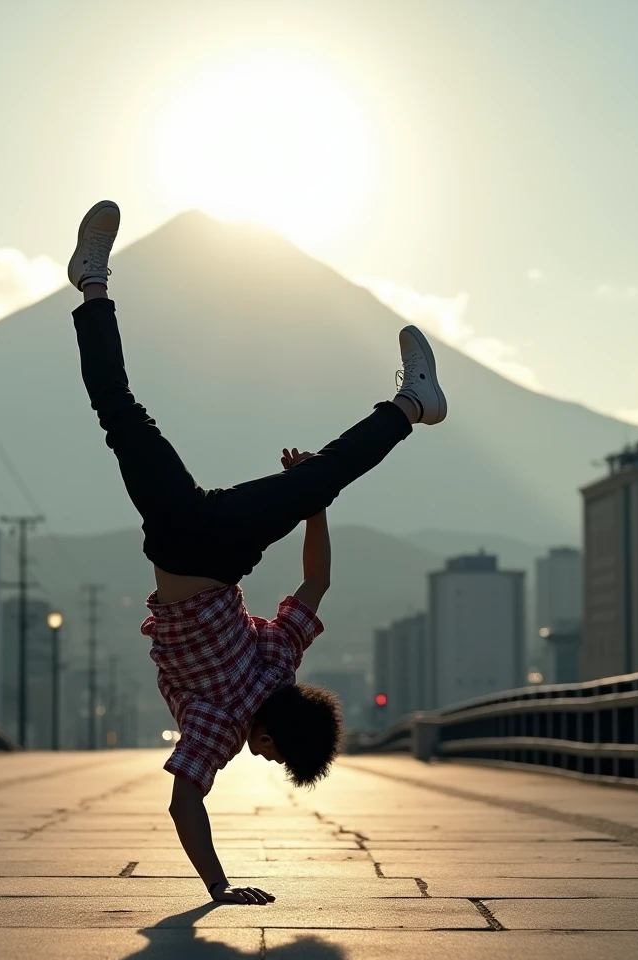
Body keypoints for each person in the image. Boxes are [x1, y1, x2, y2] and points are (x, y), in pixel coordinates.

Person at [67, 200, 447, 905]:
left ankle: (409, 408)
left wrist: (313, 507)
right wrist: (218, 888)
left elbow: (316, 583)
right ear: (275, 735)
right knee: (118, 411)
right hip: (183, 542)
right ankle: (92, 286)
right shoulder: (220, 727)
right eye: (276, 755)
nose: (263, 759)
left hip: (224, 544)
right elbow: (184, 804)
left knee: (320, 471)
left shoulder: (280, 662)